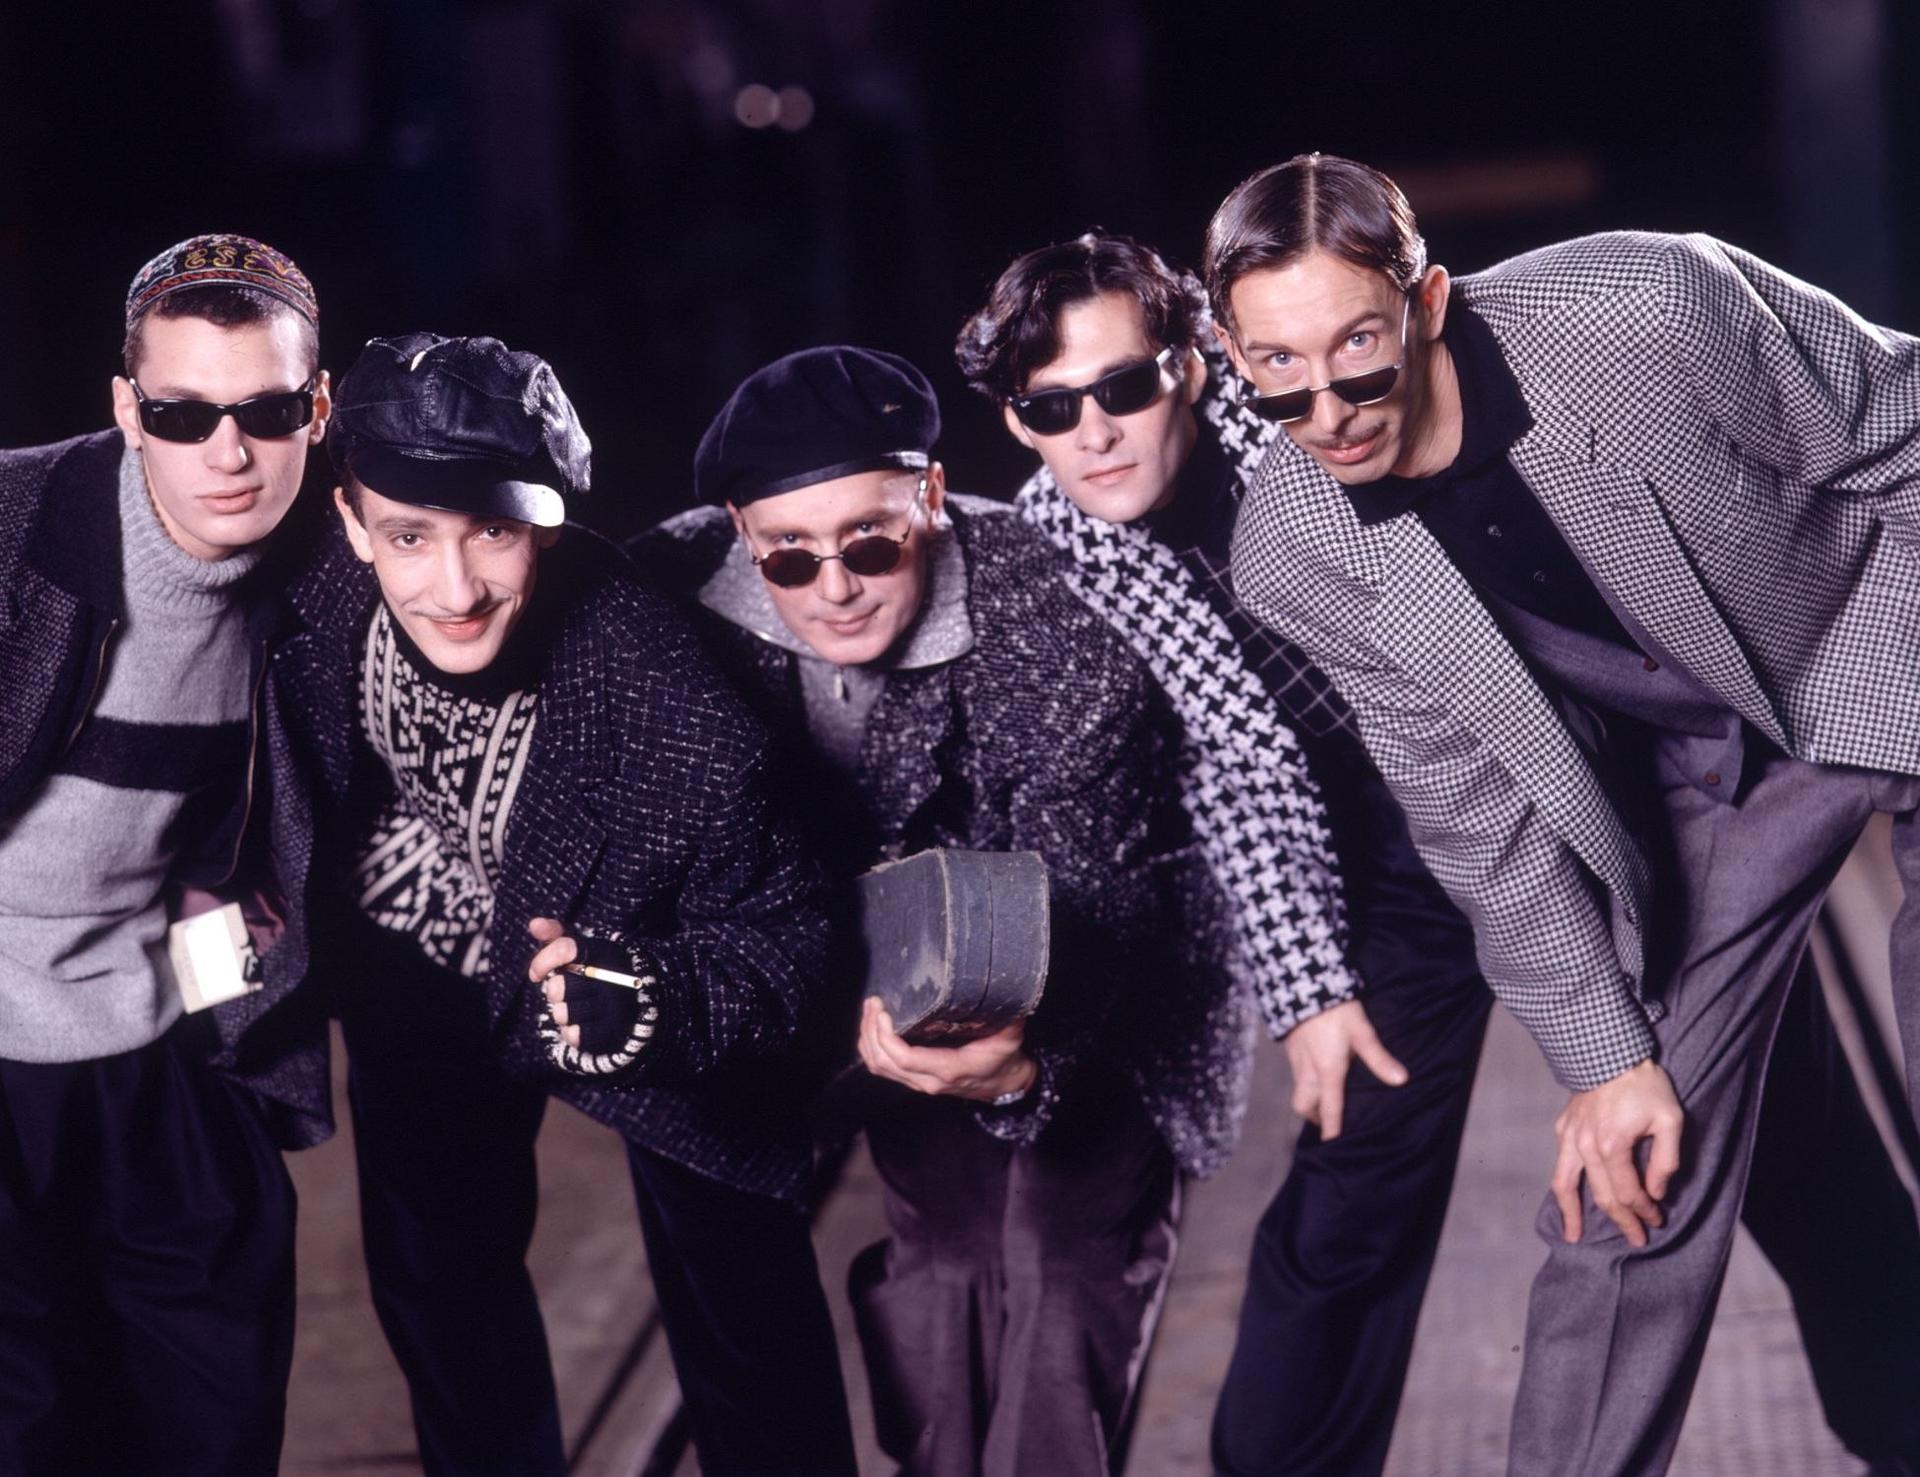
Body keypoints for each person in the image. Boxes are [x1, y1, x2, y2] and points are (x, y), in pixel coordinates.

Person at [962, 226, 1920, 1477]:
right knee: (1355, 1183)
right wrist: (1309, 987)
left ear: (1193, 366)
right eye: (1050, 407)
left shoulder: (1312, 420)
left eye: (1122, 387)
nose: (1093, 431)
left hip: (1567, 774)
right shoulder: (1062, 540)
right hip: (1375, 853)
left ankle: (1903, 1420)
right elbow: (1223, 769)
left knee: (1744, 1129)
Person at [634, 344, 1249, 1477]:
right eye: (790, 556)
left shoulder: (1053, 612)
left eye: (870, 541)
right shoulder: (668, 600)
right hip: (887, 986)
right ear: (737, 532)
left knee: (1063, 1266)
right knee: (947, 1269)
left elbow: (1092, 897)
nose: (835, 588)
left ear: (928, 494)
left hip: (1105, 980)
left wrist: (1021, 1071)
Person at [266, 332, 857, 1477]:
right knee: (441, 1288)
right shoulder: (304, 578)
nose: (455, 590)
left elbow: (793, 936)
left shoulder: (677, 711)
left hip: (638, 959)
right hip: (415, 946)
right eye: (409, 536)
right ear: (351, 523)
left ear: (545, 522)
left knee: (741, 1294)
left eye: (493, 531)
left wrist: (653, 997)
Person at [0, 234, 331, 1474]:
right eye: (184, 414)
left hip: (162, 1039)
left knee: (215, 1406)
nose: (227, 453)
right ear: (127, 408)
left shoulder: (338, 562)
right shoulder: (17, 523)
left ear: (319, 406)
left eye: (267, 411)